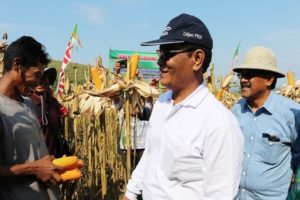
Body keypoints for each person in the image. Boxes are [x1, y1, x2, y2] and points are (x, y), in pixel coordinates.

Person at [122, 13, 244, 200]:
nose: (160, 61)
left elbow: (220, 195)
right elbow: (151, 154)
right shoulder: (162, 103)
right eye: (159, 53)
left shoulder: (219, 124)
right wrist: (130, 193)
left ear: (197, 59)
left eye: (168, 53)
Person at [231, 46, 300, 200]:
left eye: (249, 75)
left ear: (269, 79)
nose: (242, 79)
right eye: (242, 75)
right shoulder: (236, 110)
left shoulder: (292, 114)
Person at [0, 36, 62, 199]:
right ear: (17, 65)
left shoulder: (27, 103)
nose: (37, 82)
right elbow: (34, 166)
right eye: (36, 74)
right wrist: (34, 168)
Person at [30, 67, 70, 158]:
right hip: (36, 163)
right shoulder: (25, 103)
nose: (40, 81)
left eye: (44, 78)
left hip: (56, 158)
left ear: (49, 80)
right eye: (37, 78)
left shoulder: (54, 102)